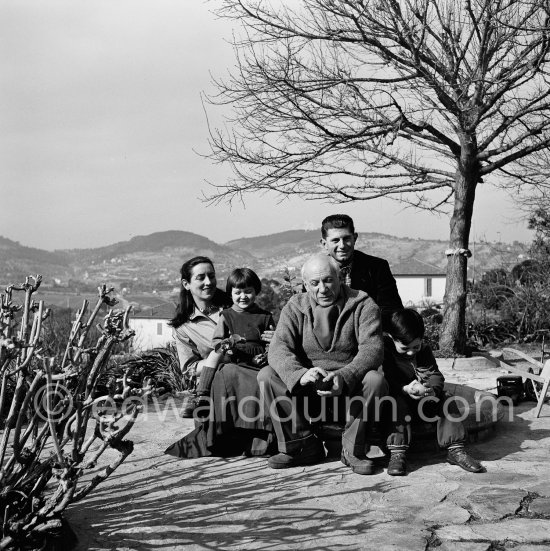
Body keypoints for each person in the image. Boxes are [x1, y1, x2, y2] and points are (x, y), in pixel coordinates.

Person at [258, 253, 387, 474]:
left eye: (328, 280)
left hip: (349, 381)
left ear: (340, 278)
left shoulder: (363, 303)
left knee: (375, 380)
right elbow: (279, 347)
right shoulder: (295, 306)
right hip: (309, 380)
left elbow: (372, 349)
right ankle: (302, 444)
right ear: (306, 285)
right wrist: (299, 374)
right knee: (266, 375)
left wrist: (345, 376)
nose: (322, 289)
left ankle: (352, 450)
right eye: (315, 283)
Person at [165, 257, 274, 458]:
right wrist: (218, 358)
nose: (208, 282)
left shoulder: (235, 303)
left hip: (250, 368)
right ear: (186, 284)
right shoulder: (183, 327)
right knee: (227, 371)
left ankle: (260, 436)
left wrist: (274, 340)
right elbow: (189, 368)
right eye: (201, 277)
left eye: (211, 276)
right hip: (216, 380)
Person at [382, 308, 485, 476]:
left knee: (447, 398)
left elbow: (435, 375)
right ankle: (397, 452)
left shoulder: (423, 351)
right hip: (400, 402)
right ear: (392, 338)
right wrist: (404, 389)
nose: (410, 352)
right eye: (405, 348)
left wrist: (431, 390)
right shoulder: (386, 353)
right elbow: (386, 379)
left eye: (415, 346)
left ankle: (456, 450)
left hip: (423, 403)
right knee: (395, 402)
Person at [194, 267, 275, 412]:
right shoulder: (226, 316)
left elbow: (272, 342)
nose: (243, 296)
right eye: (237, 292)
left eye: (248, 291)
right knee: (214, 354)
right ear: (231, 294)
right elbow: (216, 341)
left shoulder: (265, 316)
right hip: (234, 355)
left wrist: (267, 355)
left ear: (256, 291)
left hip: (258, 358)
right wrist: (226, 346)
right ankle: (202, 393)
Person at [320, 214, 403, 330]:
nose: (342, 245)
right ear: (324, 244)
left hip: (371, 334)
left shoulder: (377, 268)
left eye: (346, 238)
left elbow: (392, 310)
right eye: (335, 240)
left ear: (355, 238)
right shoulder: (315, 271)